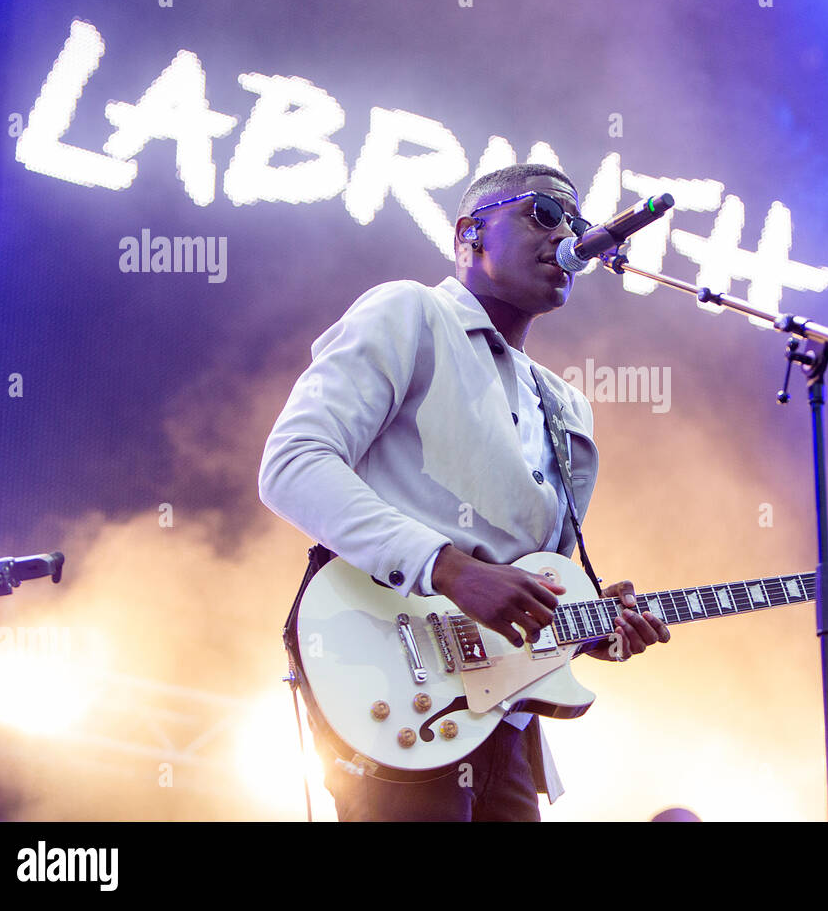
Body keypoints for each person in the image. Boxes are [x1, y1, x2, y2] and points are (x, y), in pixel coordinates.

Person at [258, 163, 670, 821]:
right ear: (470, 234)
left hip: (503, 718)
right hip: (391, 669)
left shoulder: (563, 406)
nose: (567, 233)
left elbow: (540, 579)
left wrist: (589, 622)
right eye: (543, 213)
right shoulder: (410, 311)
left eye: (577, 222)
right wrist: (449, 568)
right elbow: (293, 461)